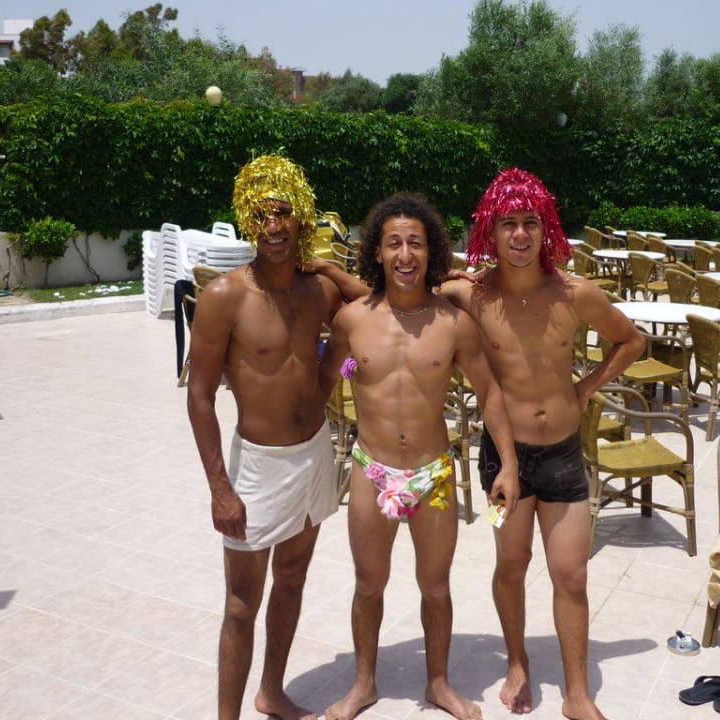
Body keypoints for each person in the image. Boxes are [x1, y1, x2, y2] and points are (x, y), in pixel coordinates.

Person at [439, 168, 645, 720]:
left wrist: (586, 387)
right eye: (508, 223)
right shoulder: (469, 293)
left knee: (571, 574)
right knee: (511, 565)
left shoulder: (575, 293)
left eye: (531, 222)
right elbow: (399, 290)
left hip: (563, 456)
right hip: (501, 460)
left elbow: (632, 341)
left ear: (546, 227)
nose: (520, 234)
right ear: (489, 229)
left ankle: (577, 693)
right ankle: (517, 662)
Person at [320, 192, 521, 720]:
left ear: (431, 252)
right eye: (394, 244)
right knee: (368, 585)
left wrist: (508, 464)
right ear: (377, 252)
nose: (405, 254)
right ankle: (363, 684)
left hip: (433, 474)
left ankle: (438, 683)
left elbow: (489, 392)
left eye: (415, 243)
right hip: (371, 471)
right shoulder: (351, 321)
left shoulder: (453, 323)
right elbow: (325, 383)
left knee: (435, 587)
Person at [187, 155, 366, 720]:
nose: (273, 226)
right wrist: (220, 488)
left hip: (314, 454)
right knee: (241, 605)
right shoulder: (225, 297)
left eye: (284, 213)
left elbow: (373, 308)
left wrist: (332, 273)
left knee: (292, 580)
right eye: (261, 215)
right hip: (258, 467)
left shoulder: (319, 292)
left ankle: (271, 691)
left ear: (302, 217)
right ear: (247, 219)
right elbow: (199, 396)